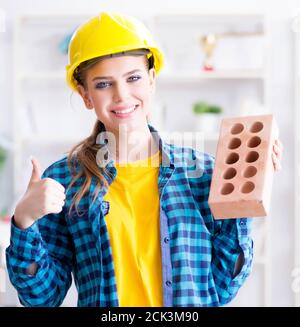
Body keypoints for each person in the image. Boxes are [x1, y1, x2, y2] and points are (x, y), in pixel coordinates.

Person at [6, 12, 283, 307]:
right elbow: (42, 298)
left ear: (151, 80)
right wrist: (24, 219)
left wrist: (245, 194)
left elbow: (223, 288)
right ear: (85, 95)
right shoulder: (66, 180)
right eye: (103, 84)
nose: (121, 95)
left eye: (133, 78)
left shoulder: (202, 175)